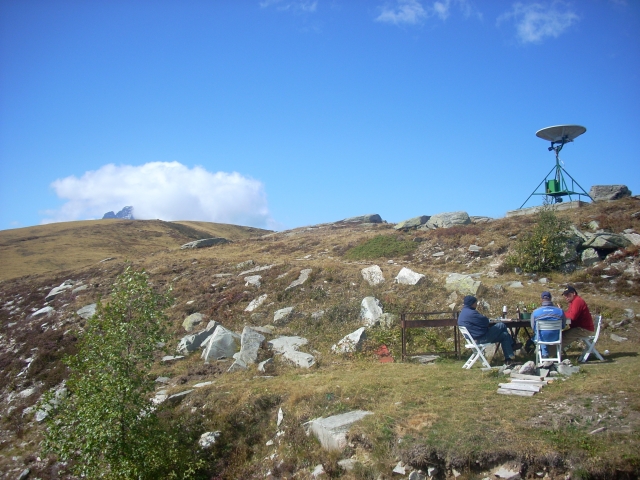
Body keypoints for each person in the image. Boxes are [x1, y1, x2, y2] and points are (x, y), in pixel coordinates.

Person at [458, 295, 521, 365]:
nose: (476, 304)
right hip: (481, 339)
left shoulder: (463, 313)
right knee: (501, 325)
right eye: (475, 303)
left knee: (505, 335)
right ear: (472, 303)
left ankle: (508, 359)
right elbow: (485, 322)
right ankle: (512, 345)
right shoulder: (472, 313)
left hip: (473, 339)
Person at [531, 291, 566, 360]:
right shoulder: (560, 311)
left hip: (541, 338)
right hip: (556, 338)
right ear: (550, 299)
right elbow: (563, 326)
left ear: (541, 299)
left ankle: (544, 355)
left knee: (539, 334)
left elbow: (533, 327)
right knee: (543, 334)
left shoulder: (536, 312)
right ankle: (548, 355)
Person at [560, 285, 594, 351]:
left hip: (583, 329)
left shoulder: (577, 301)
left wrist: (561, 313)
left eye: (568, 295)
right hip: (581, 328)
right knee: (560, 335)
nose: (566, 297)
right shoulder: (573, 302)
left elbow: (572, 316)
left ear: (574, 293)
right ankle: (554, 353)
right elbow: (569, 315)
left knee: (563, 336)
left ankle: (551, 354)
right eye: (565, 295)